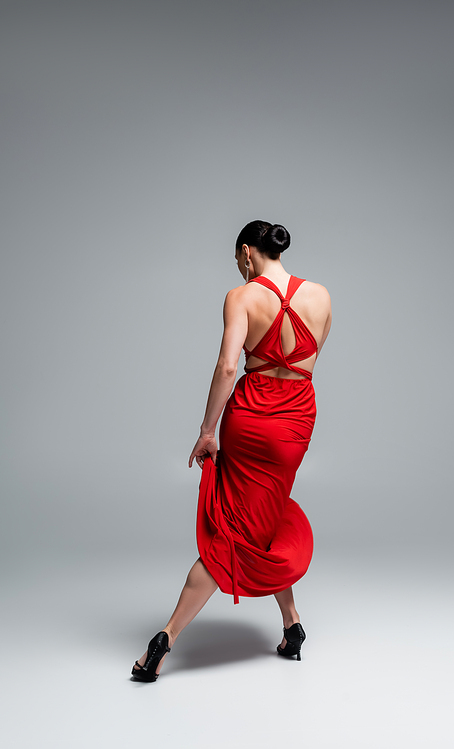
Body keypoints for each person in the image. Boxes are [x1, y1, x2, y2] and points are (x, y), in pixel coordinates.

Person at [131, 220, 331, 682]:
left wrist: (207, 430)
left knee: (237, 526)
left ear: (247, 252)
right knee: (268, 512)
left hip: (251, 417)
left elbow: (226, 366)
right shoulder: (320, 295)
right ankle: (292, 624)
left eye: (238, 260)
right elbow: (310, 358)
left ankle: (166, 638)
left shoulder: (241, 296)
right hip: (297, 420)